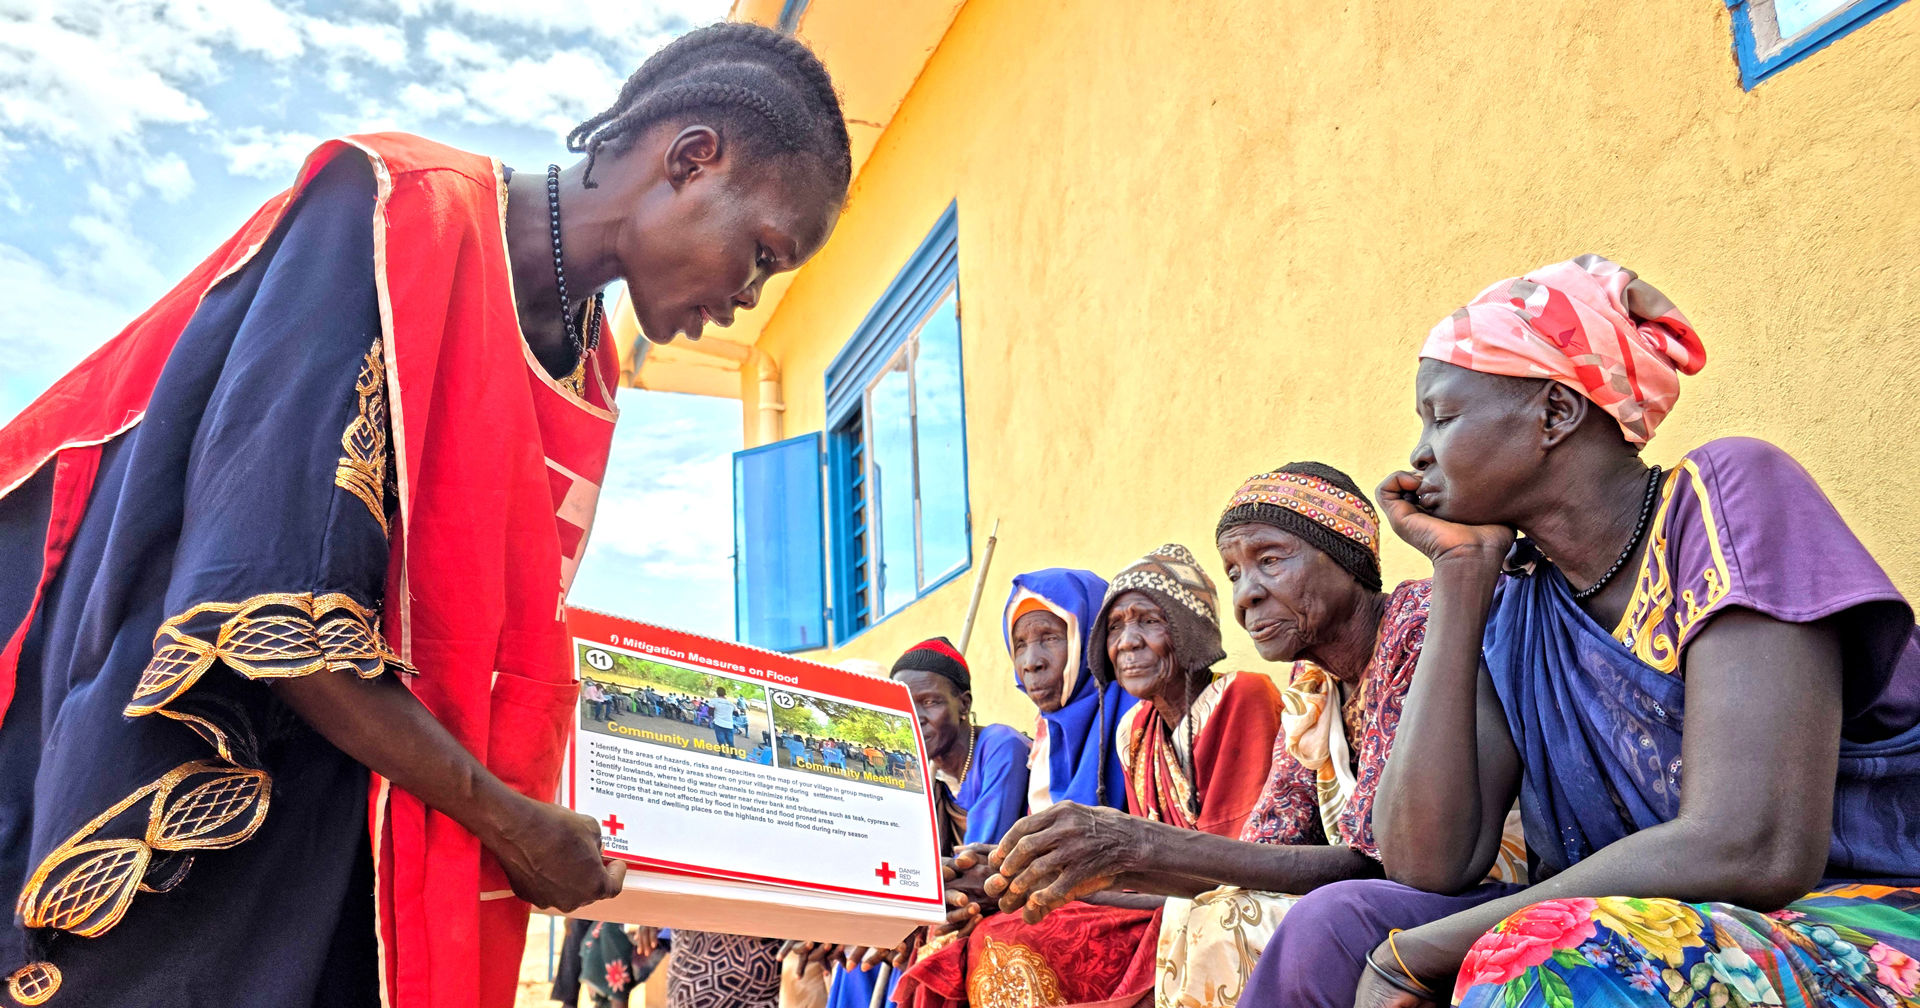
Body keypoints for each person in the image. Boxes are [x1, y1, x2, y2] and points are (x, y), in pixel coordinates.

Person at [0, 22, 851, 1007]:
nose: (748, 295)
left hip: (359, 830)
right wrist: (508, 821)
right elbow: (270, 605)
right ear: (692, 157)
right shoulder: (394, 213)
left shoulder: (590, 367)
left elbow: (486, 648)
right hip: (195, 787)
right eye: (760, 253)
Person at [1260, 255, 1920, 1008]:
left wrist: (1427, 949)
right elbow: (1426, 861)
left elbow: (1754, 845)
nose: (1417, 453)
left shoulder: (1729, 496)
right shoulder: (1518, 599)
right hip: (1628, 920)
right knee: (1335, 927)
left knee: (1547, 958)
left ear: (1554, 414)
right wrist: (1461, 576)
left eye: (1441, 416)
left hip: (1854, 914)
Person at [898, 544, 1286, 1007]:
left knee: (1002, 940)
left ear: (1189, 628)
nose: (1127, 641)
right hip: (1156, 903)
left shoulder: (1239, 695)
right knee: (957, 946)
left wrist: (1033, 887)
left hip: (1224, 902)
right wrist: (1008, 879)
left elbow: (1227, 872)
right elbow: (1138, 873)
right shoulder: (1135, 732)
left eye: (1149, 621)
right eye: (1116, 627)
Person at [827, 638, 1034, 1008]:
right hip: (942, 899)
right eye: (905, 706)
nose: (916, 717)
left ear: (964, 704)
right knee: (858, 958)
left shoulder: (1001, 746)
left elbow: (975, 867)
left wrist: (908, 904)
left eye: (930, 702)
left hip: (998, 901)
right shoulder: (921, 773)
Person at [1003, 567, 1138, 816]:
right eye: (1020, 644)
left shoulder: (1137, 719)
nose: (1031, 663)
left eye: (1050, 637)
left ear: (1091, 639)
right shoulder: (1046, 737)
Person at [710, 686, 739, 752]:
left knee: (721, 743)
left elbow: (710, 712)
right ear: (725, 694)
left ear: (717, 693)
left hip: (718, 724)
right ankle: (734, 757)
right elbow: (736, 714)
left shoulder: (714, 701)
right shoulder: (731, 703)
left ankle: (722, 756)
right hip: (729, 725)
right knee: (731, 744)